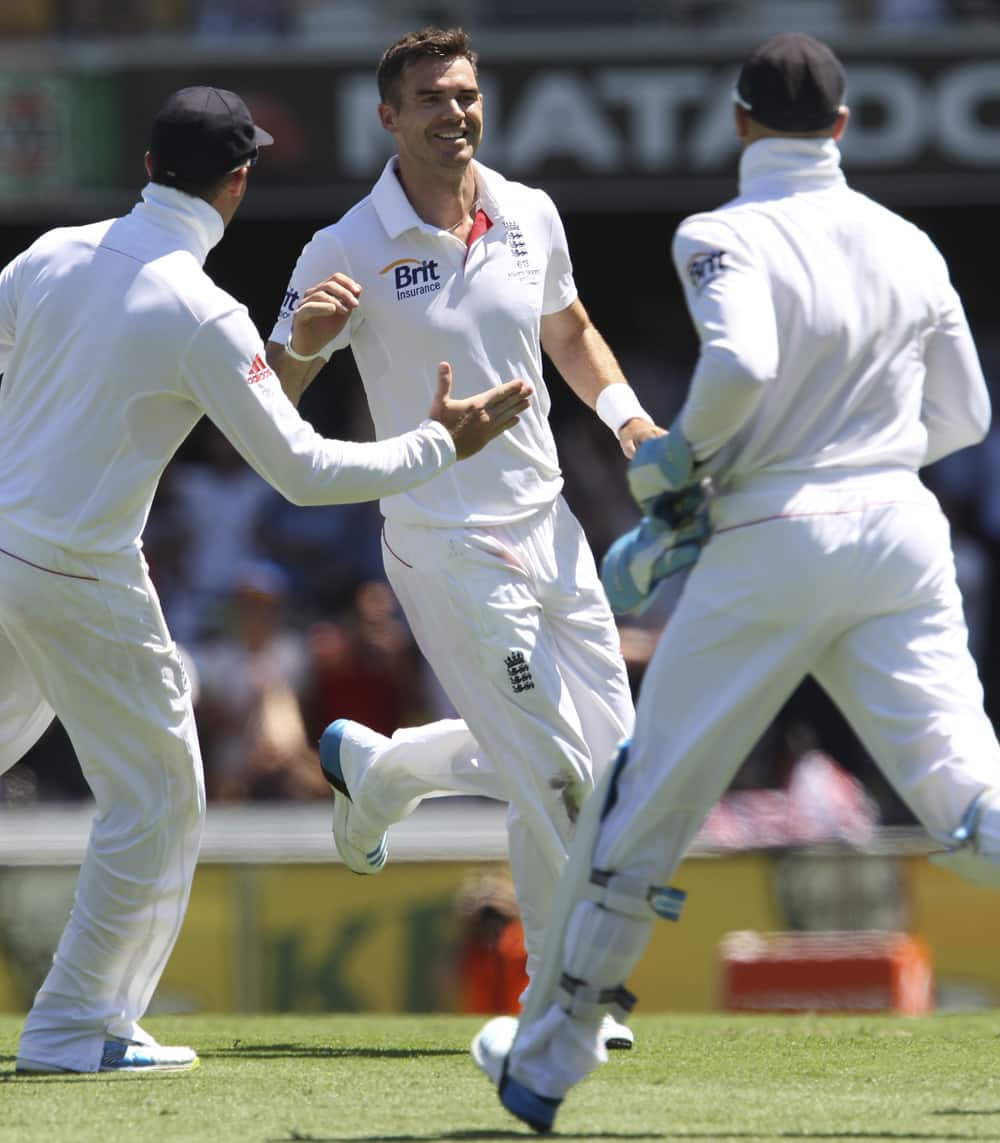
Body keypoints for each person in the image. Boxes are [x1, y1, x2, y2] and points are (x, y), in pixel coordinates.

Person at [470, 33, 1000, 1132]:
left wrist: (686, 463)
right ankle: (548, 1048)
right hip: (904, 529)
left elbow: (744, 364)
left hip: (775, 532)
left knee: (648, 791)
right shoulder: (906, 242)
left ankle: (548, 1056)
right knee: (962, 792)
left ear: (742, 122)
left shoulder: (722, 232)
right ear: (844, 128)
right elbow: (965, 420)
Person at [0, 84, 530, 1077]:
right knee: (157, 799)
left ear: (148, 167)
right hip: (76, 573)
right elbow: (301, 473)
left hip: (5, 551)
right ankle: (75, 1029)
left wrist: (291, 354)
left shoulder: (48, 253)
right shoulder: (204, 312)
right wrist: (434, 445)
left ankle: (90, 1022)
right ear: (237, 184)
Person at [266, 26, 659, 1051]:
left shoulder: (528, 211)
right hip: (442, 539)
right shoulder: (345, 245)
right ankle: (569, 996)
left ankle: (386, 771)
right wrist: (303, 343)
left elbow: (567, 329)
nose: (454, 112)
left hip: (552, 523)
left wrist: (627, 422)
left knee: (607, 766)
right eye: (432, 99)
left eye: (466, 95)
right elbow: (269, 394)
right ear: (388, 118)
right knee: (557, 772)